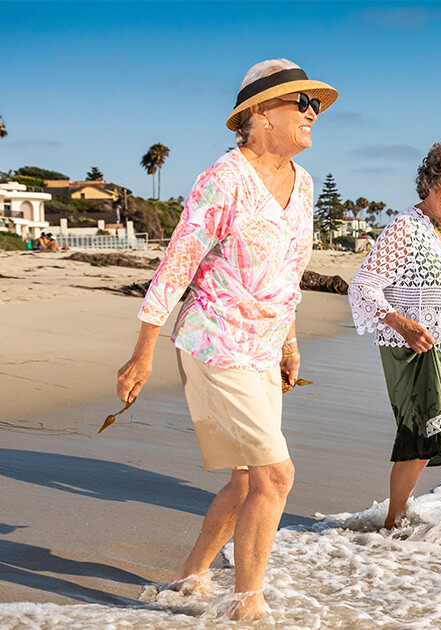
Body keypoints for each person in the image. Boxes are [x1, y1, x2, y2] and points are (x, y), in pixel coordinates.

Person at [116, 58, 337, 620]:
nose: (313, 113)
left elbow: (289, 272)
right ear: (260, 114)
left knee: (246, 480)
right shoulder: (224, 178)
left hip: (263, 347)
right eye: (301, 103)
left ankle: (190, 576)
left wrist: (289, 344)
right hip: (215, 342)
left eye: (315, 105)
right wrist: (142, 353)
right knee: (275, 475)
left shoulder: (305, 183)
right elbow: (177, 265)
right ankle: (248, 606)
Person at [348, 138, 441, 538]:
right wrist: (401, 324)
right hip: (414, 350)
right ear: (431, 183)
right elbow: (363, 286)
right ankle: (393, 524)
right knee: (419, 442)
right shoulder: (405, 227)